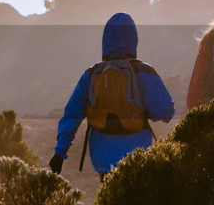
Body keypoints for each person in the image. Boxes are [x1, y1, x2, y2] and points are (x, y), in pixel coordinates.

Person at [50, 12, 175, 178]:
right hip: (139, 157)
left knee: (111, 201)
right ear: (134, 39)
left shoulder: (91, 74)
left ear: (105, 40)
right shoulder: (143, 72)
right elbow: (165, 112)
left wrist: (60, 152)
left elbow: (71, 115)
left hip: (104, 159)